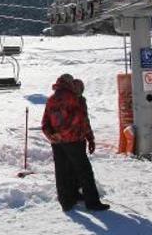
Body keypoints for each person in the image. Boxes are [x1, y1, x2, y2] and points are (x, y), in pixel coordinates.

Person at [41, 74, 108, 212]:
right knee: (84, 171)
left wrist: (53, 136)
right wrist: (90, 138)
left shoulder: (51, 100)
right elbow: (79, 121)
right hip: (74, 140)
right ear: (69, 83)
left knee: (62, 171)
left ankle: (67, 201)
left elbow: (45, 122)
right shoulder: (73, 99)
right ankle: (92, 202)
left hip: (57, 143)